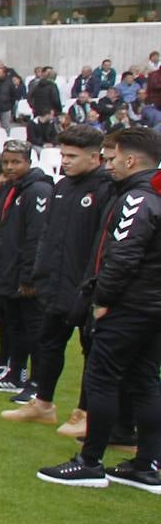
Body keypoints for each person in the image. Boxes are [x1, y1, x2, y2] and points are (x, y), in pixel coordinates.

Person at [37, 128, 161, 490]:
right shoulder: (152, 194)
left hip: (129, 307)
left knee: (102, 379)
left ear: (130, 159)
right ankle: (146, 464)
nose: (109, 165)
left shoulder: (137, 199)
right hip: (151, 306)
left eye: (112, 158)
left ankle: (90, 462)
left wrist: (103, 300)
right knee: (145, 381)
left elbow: (122, 256)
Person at [4, 126, 112, 426]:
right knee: (49, 342)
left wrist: (95, 284)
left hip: (85, 286)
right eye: (62, 154)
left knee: (91, 351)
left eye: (72, 156)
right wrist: (40, 272)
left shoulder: (104, 189)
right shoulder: (61, 186)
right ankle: (43, 403)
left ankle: (84, 412)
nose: (64, 160)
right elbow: (47, 235)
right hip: (55, 283)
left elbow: (102, 243)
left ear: (94, 157)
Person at [0, 140, 52, 398]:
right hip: (6, 270)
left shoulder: (38, 190)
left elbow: (36, 238)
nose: (10, 166)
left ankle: (37, 382)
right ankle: (15, 373)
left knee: (33, 329)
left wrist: (29, 276)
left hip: (24, 275)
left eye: (16, 162)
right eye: (6, 162)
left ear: (29, 161)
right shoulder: (10, 189)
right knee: (13, 326)